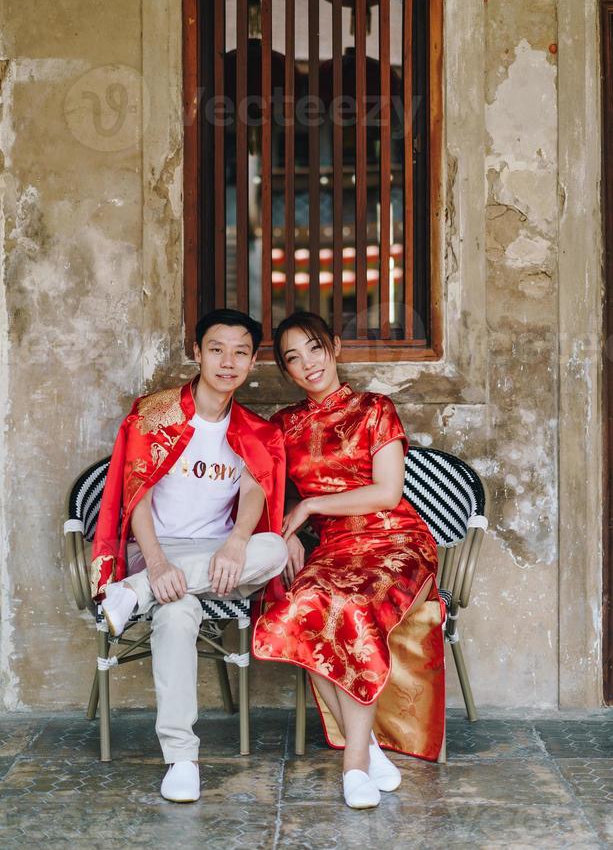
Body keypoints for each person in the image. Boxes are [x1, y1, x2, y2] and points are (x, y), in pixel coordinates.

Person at [90, 309, 288, 803]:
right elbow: (136, 497)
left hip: (222, 557)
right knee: (176, 613)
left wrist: (238, 541)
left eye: (241, 352)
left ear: (252, 361)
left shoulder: (255, 432)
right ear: (197, 353)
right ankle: (181, 757)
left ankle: (130, 596)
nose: (228, 361)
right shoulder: (155, 414)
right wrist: (155, 565)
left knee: (276, 547)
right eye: (216, 349)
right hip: (158, 549)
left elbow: (253, 496)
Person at [253, 311, 445, 810]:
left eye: (314, 349)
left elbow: (387, 492)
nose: (308, 364)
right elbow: (263, 491)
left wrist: (311, 505)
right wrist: (283, 534)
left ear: (335, 347)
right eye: (293, 358)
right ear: (286, 371)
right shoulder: (283, 425)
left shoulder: (374, 408)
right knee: (300, 607)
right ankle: (369, 748)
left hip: (395, 541)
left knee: (354, 606)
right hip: (334, 549)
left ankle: (352, 766)